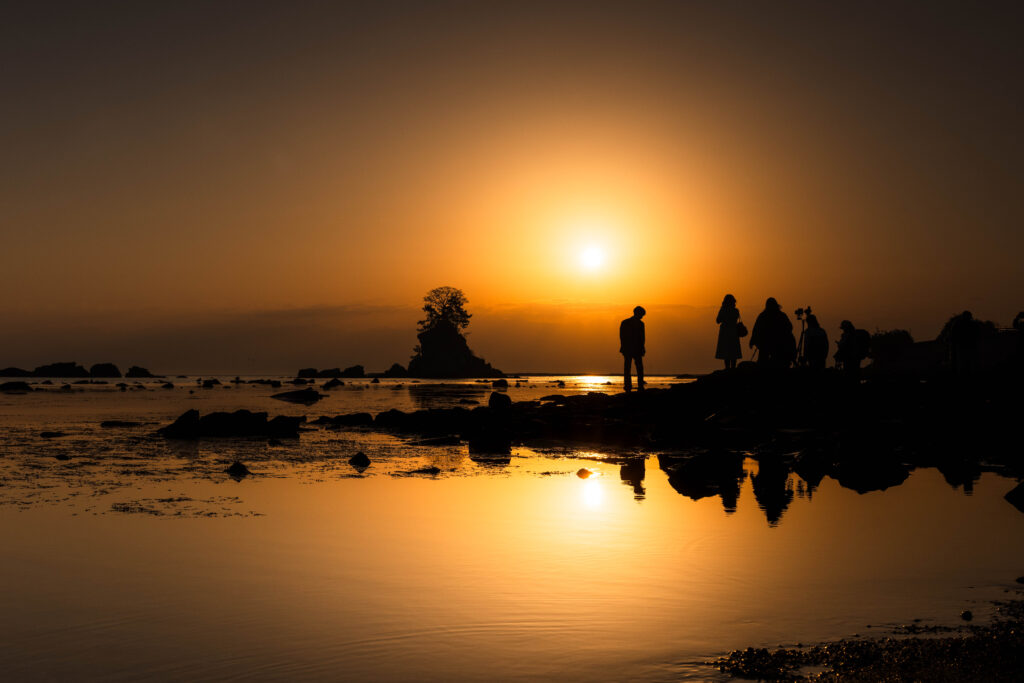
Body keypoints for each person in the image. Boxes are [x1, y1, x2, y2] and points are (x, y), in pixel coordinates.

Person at [750, 298, 794, 367]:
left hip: (768, 343)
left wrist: (753, 340)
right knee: (774, 361)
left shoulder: (763, 315)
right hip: (776, 344)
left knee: (763, 362)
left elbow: (756, 329)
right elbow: (790, 327)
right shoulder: (781, 315)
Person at [619, 306, 646, 392]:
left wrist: (642, 347)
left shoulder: (626, 322)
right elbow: (622, 336)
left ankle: (631, 386)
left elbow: (642, 338)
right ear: (637, 313)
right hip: (632, 349)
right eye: (641, 315)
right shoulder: (629, 323)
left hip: (632, 349)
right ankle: (635, 386)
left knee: (631, 368)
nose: (642, 317)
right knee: (634, 368)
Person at [715, 294, 742, 370]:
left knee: (726, 351)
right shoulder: (736, 311)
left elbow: (718, 320)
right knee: (733, 351)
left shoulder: (723, 310)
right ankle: (733, 369)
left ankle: (727, 369)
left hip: (725, 332)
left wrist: (722, 308)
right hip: (734, 332)